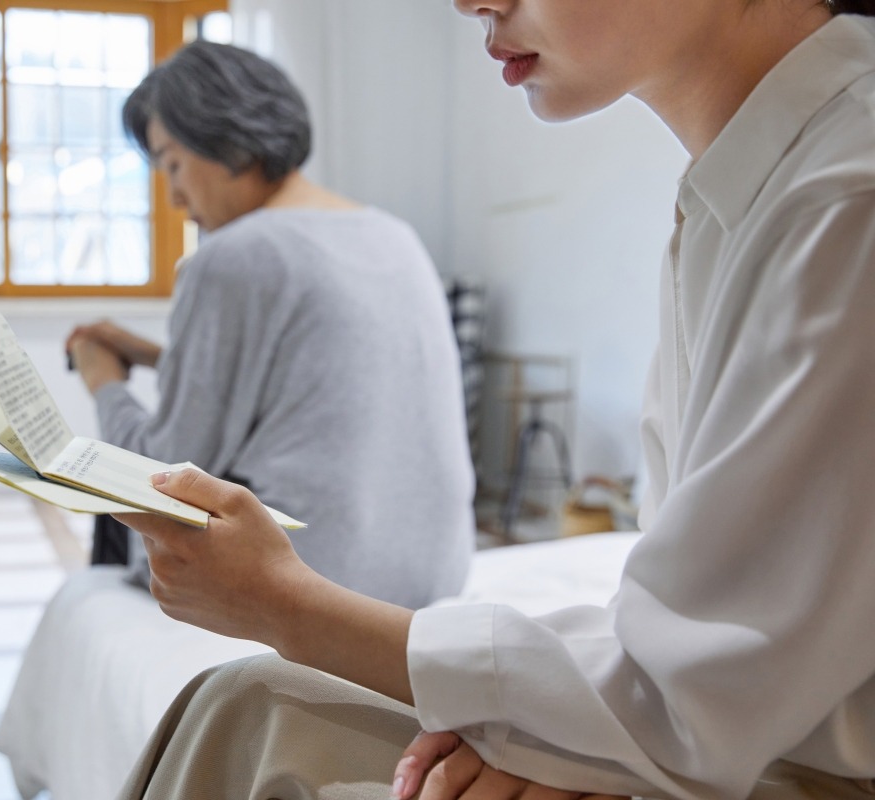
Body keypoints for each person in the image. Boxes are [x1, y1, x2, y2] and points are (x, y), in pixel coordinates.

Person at [110, 2, 875, 799]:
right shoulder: (735, 195)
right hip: (730, 732)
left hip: (778, 760)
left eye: (171, 164)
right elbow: (696, 631)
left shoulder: (844, 200)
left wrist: (288, 606)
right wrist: (568, 738)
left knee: (252, 724)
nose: (468, 1)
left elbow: (698, 696)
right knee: (249, 705)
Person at [65, 41, 475, 609]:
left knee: (117, 506)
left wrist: (102, 378)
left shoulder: (235, 255)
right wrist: (157, 355)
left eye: (174, 163)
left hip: (312, 579)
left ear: (228, 138)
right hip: (433, 574)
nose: (174, 196)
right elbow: (311, 373)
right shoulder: (391, 233)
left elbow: (162, 474)